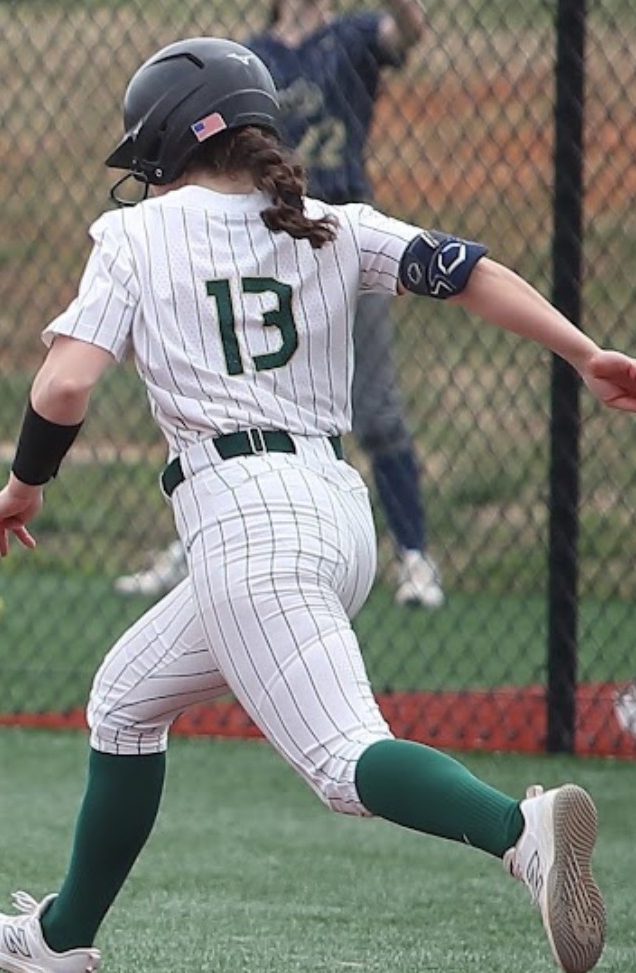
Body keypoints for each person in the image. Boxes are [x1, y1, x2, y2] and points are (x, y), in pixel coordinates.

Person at [0, 38, 636, 973]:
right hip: (337, 517)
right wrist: (587, 353)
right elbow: (465, 269)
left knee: (345, 763)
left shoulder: (137, 236)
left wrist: (25, 483)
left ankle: (521, 835)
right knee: (126, 702)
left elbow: (65, 385)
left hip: (245, 522)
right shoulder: (333, 223)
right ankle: (60, 944)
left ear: (168, 141)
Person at [115, 0, 445, 608]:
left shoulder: (350, 38)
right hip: (260, 250)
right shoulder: (249, 59)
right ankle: (201, 549)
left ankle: (414, 556)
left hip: (337, 243)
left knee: (376, 411)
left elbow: (410, 31)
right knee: (228, 410)